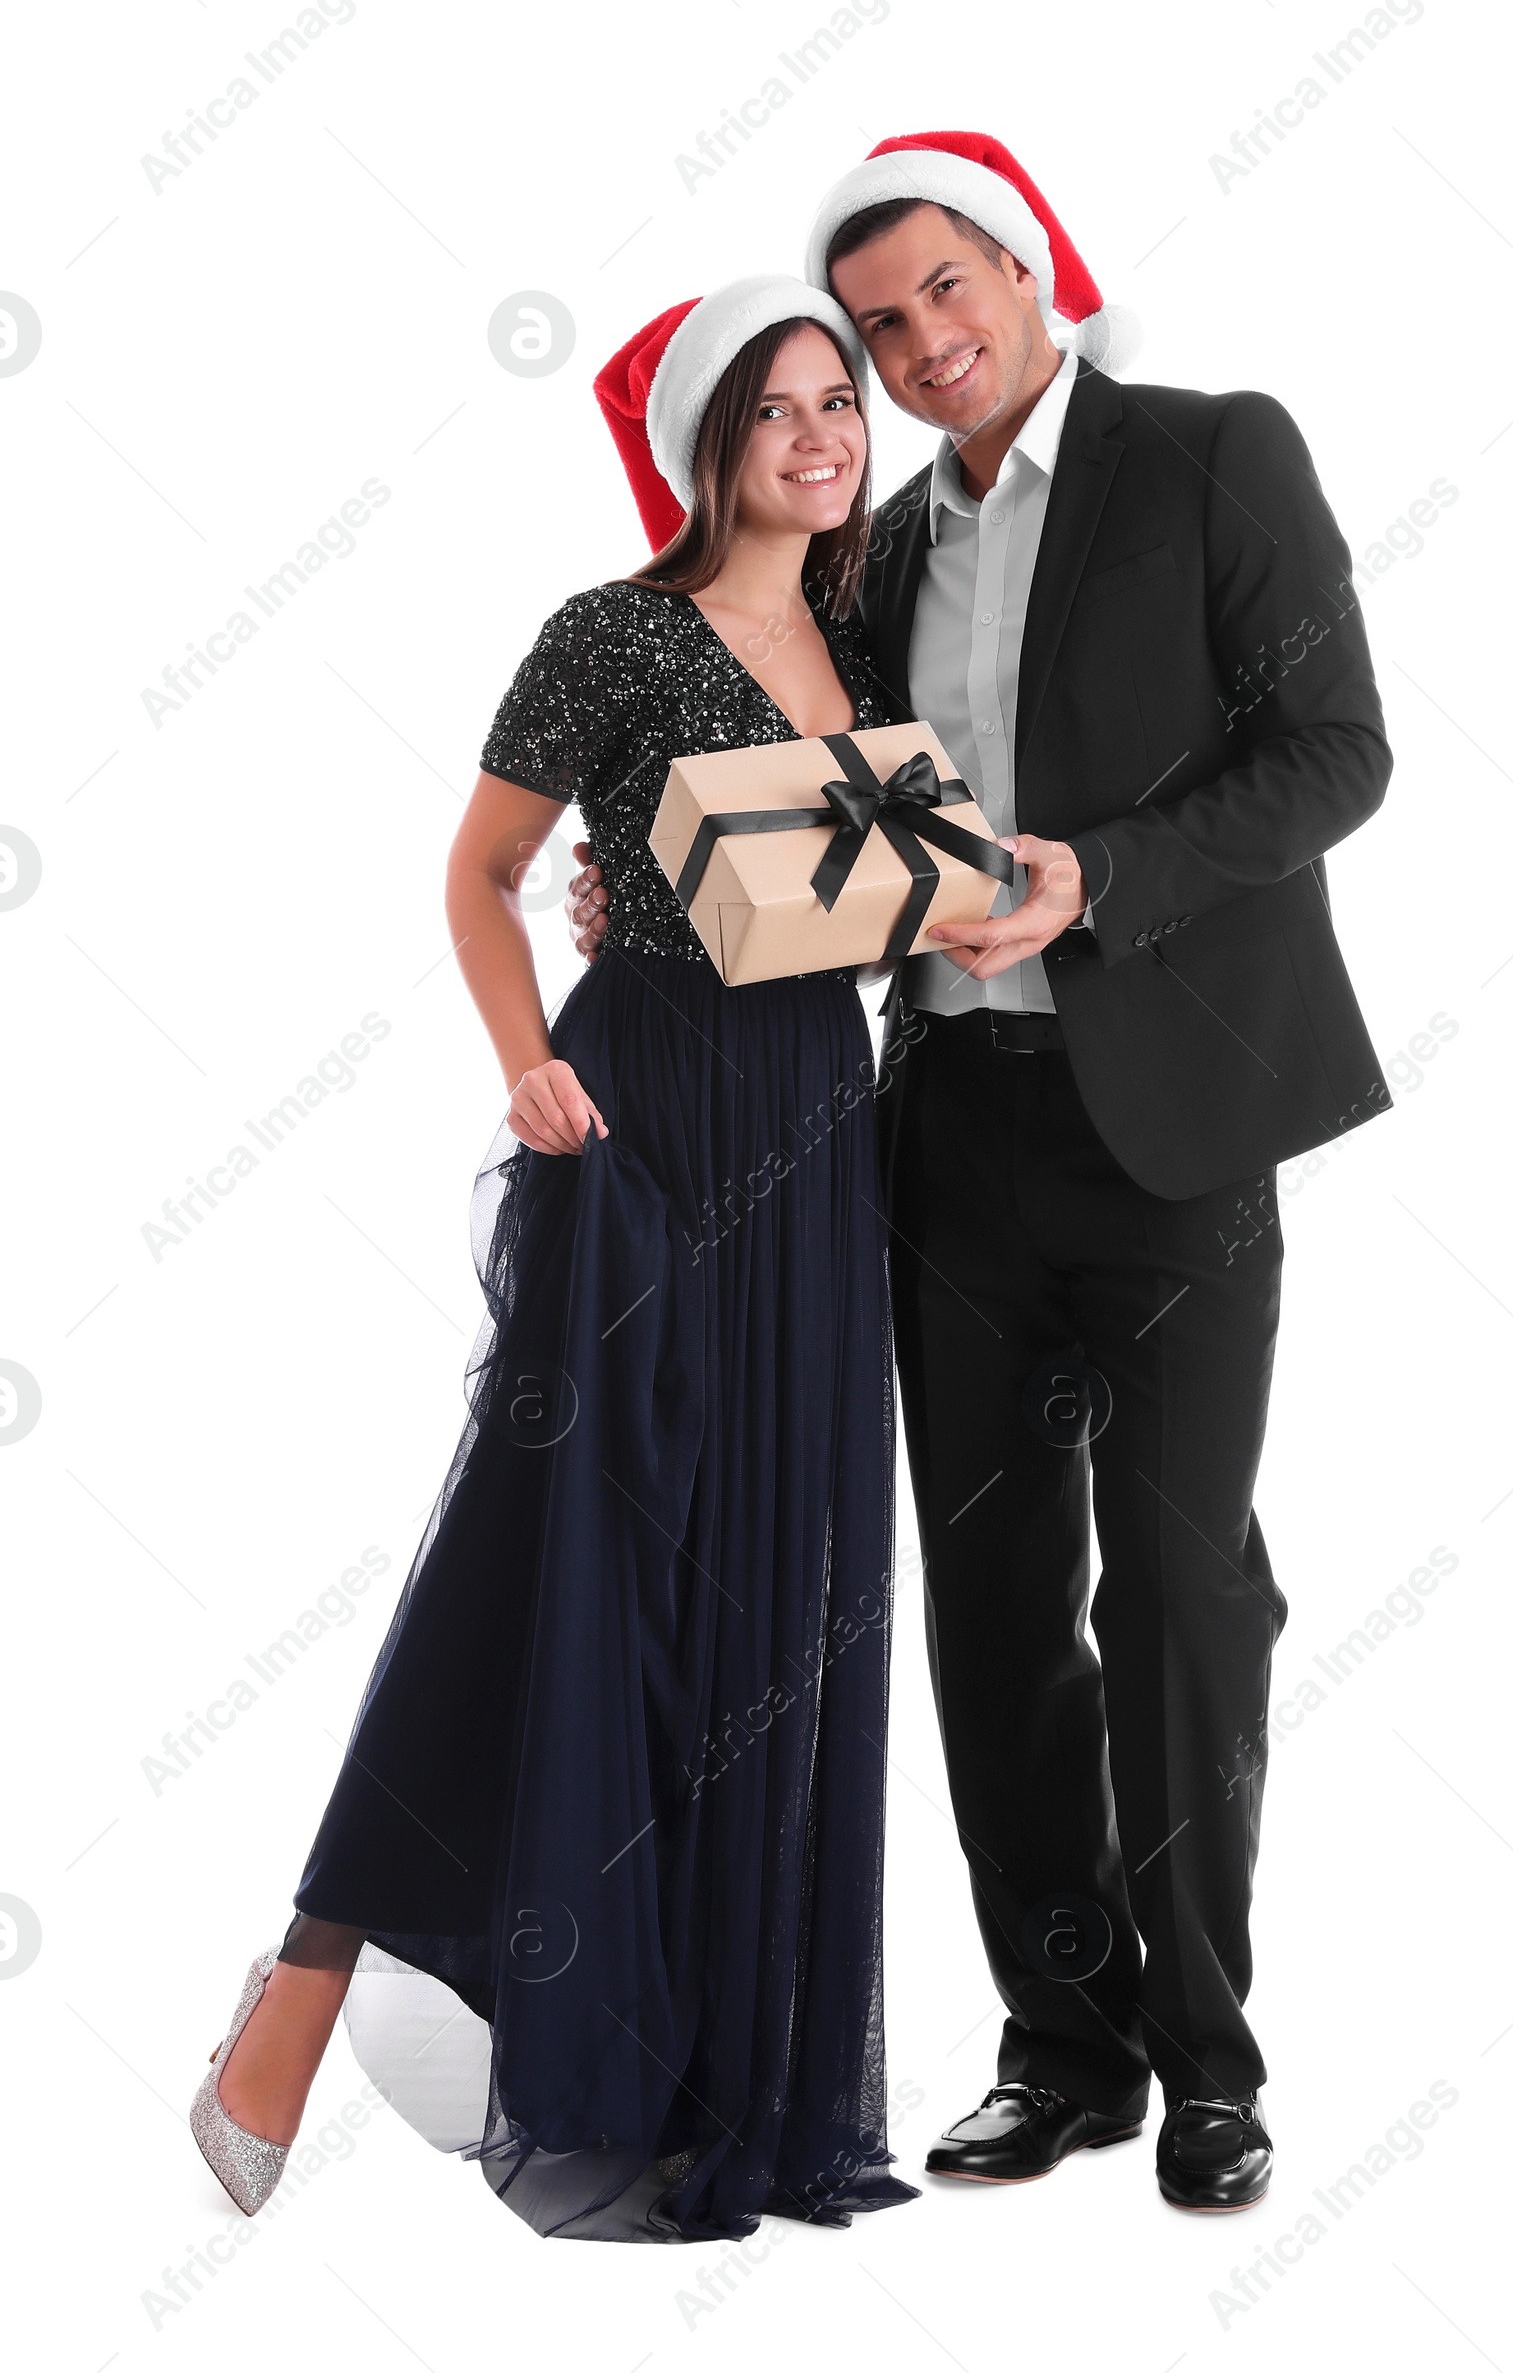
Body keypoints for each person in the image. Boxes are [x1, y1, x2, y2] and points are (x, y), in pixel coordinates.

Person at [568, 132, 1395, 2214]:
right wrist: (643, 887)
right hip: (938, 1138)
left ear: (1026, 269)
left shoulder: (1209, 454)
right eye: (876, 325)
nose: (925, 342)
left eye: (950, 288)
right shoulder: (867, 551)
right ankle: (1066, 2042)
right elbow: (802, 812)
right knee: (993, 1611)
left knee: (1186, 1595)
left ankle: (1210, 2060)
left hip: (1172, 1136)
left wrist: (1098, 878)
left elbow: (1334, 753)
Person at [190, 276, 921, 2244]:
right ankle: (298, 1986)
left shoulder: (873, 630)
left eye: (833, 402)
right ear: (704, 442)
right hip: (637, 1123)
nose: (816, 437)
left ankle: (703, 2076)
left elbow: (875, 888)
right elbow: (480, 870)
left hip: (816, 1128)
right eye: (773, 410)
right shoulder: (609, 636)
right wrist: (522, 1058)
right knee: (551, 1545)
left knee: (775, 1587)